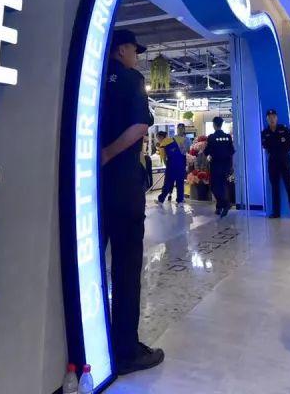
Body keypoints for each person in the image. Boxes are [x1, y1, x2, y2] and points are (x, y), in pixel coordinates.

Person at [99, 29, 165, 374]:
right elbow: (140, 125)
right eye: (134, 51)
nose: (136, 57)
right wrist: (109, 153)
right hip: (123, 186)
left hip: (91, 190)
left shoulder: (92, 80)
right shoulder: (131, 80)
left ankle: (93, 339)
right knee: (126, 268)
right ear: (122, 49)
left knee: (93, 264)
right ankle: (125, 349)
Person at [262, 108, 290, 220]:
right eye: (269, 117)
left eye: (273, 117)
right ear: (267, 119)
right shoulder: (265, 132)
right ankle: (276, 212)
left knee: (289, 186)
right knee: (275, 187)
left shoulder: (284, 129)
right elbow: (265, 146)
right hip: (273, 161)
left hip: (285, 159)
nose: (272, 119)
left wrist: (283, 151)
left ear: (277, 118)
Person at [205, 116, 236, 217]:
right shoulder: (228, 137)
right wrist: (231, 166)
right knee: (223, 186)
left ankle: (225, 204)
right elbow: (231, 152)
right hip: (226, 165)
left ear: (214, 125)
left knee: (214, 186)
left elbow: (207, 151)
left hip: (216, 165)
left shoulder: (211, 137)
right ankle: (219, 207)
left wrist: (207, 156)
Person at [156, 124, 188, 204]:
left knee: (167, 184)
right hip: (181, 165)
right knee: (180, 184)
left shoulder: (162, 145)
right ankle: (180, 201)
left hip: (171, 167)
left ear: (161, 137)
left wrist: (168, 167)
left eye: (158, 138)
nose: (158, 141)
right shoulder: (175, 140)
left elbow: (164, 159)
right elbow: (183, 152)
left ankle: (161, 199)